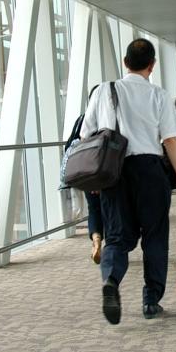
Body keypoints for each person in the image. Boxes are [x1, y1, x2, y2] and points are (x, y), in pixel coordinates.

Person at [81, 39, 176, 323]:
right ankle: (151, 301)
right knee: (155, 236)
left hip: (114, 172)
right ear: (152, 65)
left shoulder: (103, 90)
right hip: (150, 169)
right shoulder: (159, 95)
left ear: (125, 62)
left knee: (116, 236)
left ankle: (111, 280)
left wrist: (95, 176)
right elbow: (171, 140)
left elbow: (87, 135)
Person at [64, 84, 104, 263]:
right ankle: (113, 245)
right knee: (110, 208)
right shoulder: (109, 120)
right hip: (108, 174)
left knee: (94, 208)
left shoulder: (82, 120)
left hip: (88, 172)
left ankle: (96, 238)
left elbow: (70, 145)